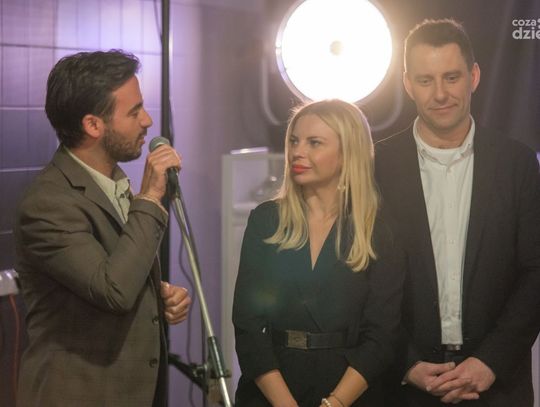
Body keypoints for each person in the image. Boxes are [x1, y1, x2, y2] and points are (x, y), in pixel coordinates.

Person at [375, 19, 540, 406]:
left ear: (474, 77)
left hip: (498, 387)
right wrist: (407, 363)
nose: (440, 94)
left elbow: (537, 271)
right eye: (426, 80)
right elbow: (361, 276)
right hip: (402, 387)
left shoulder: (517, 164)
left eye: (451, 77)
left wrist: (490, 361)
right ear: (407, 84)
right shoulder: (375, 166)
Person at [14, 50, 191, 407]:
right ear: (93, 125)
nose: (147, 121)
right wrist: (151, 197)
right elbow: (114, 290)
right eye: (134, 111)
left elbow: (118, 269)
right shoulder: (47, 204)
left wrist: (156, 297)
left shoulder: (114, 184)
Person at [232, 99, 404, 407]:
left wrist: (335, 403)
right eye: (294, 141)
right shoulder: (267, 220)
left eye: (314, 143)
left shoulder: (378, 230)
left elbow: (381, 337)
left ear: (347, 152)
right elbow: (248, 326)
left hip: (349, 391)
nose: (297, 152)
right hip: (271, 390)